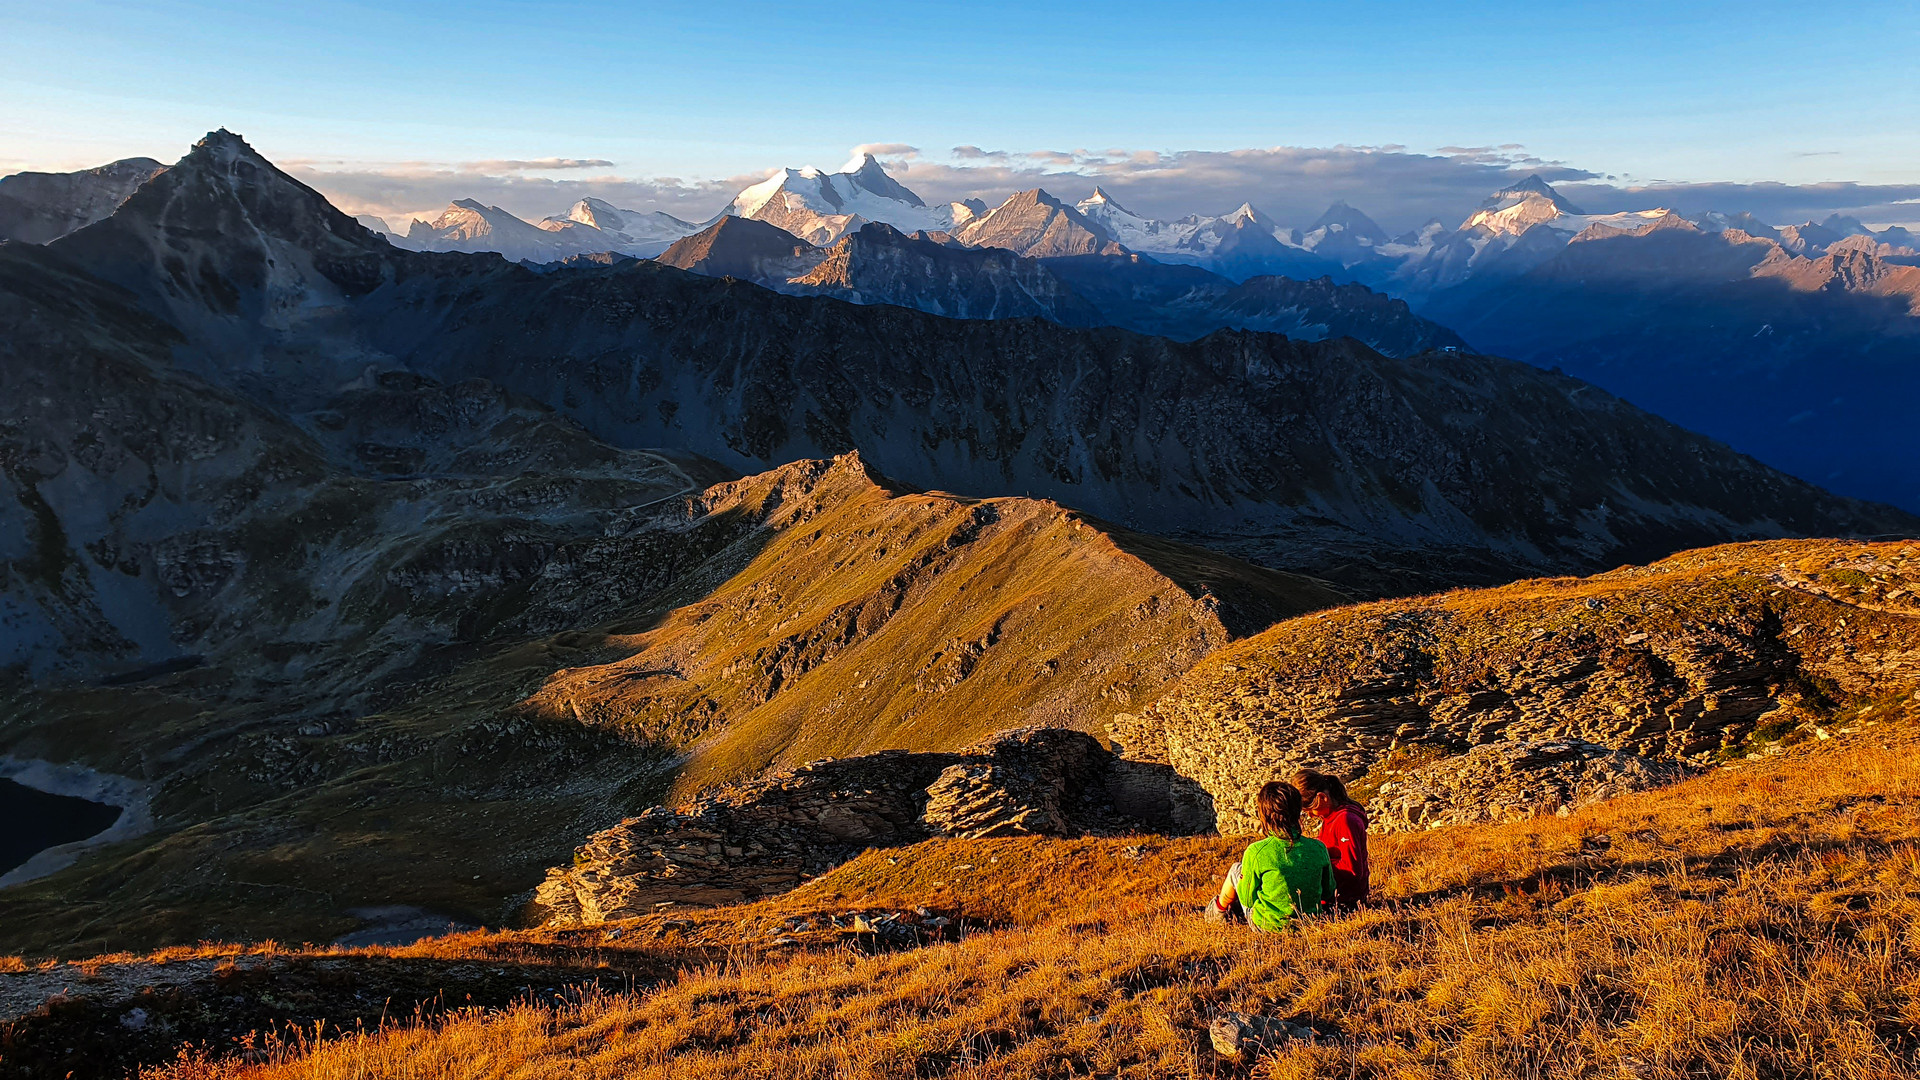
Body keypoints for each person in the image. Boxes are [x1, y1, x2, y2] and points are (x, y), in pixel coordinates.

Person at [1206, 780, 1334, 930]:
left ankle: (1216, 914)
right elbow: (1328, 891)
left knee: (1236, 869)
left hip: (1267, 927)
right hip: (1311, 923)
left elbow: (1247, 899)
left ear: (1263, 814)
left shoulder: (1256, 851)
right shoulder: (1318, 847)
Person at [1294, 769, 1370, 911]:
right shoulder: (1330, 817)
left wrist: (1315, 867)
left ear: (1322, 797)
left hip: (1344, 901)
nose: (1310, 816)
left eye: (1309, 810)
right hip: (1336, 895)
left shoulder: (1345, 820)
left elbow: (1352, 870)